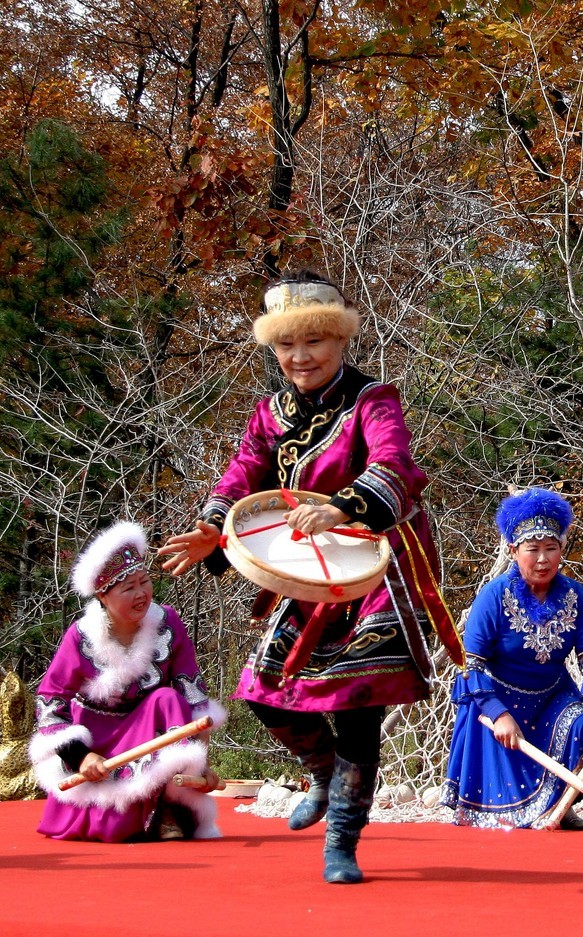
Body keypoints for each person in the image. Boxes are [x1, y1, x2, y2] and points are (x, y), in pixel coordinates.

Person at [159, 269, 457, 883]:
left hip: (373, 570)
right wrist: (215, 526)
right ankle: (322, 774)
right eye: (286, 346)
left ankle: (342, 840)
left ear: (341, 341)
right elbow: (243, 473)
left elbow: (394, 460)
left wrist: (346, 505)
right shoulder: (270, 413)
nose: (300, 357)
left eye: (314, 342)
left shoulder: (373, 400)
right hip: (305, 571)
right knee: (264, 693)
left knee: (356, 707)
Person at [29, 521, 225, 842]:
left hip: (152, 727)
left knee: (168, 699)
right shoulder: (80, 638)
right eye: (128, 588)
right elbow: (50, 701)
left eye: (144, 582)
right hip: (98, 735)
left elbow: (193, 696)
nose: (141, 593)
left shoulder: (169, 623)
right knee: (113, 826)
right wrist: (82, 756)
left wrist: (199, 765)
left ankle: (169, 806)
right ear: (103, 597)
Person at [441, 487, 583, 829]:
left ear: (561, 550)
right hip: (495, 699)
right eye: (533, 550)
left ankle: (560, 803)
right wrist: (498, 714)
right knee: (498, 819)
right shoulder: (493, 597)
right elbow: (471, 665)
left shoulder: (574, 594)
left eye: (551, 549)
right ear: (513, 551)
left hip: (552, 696)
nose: (543, 559)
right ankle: (535, 807)